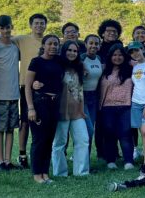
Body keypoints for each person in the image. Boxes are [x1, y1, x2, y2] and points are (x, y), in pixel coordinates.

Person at [25, 34, 65, 183]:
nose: (53, 46)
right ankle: (37, 174)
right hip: (39, 103)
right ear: (43, 45)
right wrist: (31, 108)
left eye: (56, 44)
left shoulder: (59, 61)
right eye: (50, 44)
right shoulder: (36, 62)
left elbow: (75, 61)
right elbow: (28, 87)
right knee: (39, 140)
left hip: (55, 104)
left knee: (49, 140)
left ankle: (45, 173)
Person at [13, 12, 47, 169]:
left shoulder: (48, 41)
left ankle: (41, 153)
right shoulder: (22, 39)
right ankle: (22, 154)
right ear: (31, 25)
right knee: (26, 121)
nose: (39, 26)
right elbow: (4, 37)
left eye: (42, 23)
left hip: (45, 87)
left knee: (43, 121)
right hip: (26, 86)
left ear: (45, 25)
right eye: (36, 23)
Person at [51, 40, 90, 177]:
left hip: (77, 112)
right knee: (59, 143)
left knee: (83, 140)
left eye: (75, 51)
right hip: (61, 111)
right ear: (64, 51)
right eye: (69, 50)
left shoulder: (79, 67)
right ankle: (60, 173)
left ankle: (81, 172)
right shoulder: (57, 66)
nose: (72, 53)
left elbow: (80, 90)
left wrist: (82, 110)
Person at [0, 15, 20, 171]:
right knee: (0, 129)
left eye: (8, 27)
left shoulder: (15, 47)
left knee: (10, 128)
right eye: (2, 28)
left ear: (11, 27)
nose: (6, 31)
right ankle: (0, 161)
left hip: (14, 94)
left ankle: (8, 160)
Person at [99, 45, 135, 170]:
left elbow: (144, 62)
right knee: (109, 133)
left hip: (126, 106)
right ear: (110, 56)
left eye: (120, 55)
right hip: (107, 107)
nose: (117, 57)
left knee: (126, 133)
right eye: (114, 55)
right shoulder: (104, 69)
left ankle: (128, 161)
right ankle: (111, 160)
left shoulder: (131, 69)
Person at [81, 34, 103, 155]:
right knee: (88, 130)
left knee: (90, 129)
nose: (93, 46)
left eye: (96, 43)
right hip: (82, 97)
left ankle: (86, 160)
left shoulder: (98, 58)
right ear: (85, 44)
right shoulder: (81, 58)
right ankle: (82, 158)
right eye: (91, 43)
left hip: (94, 97)